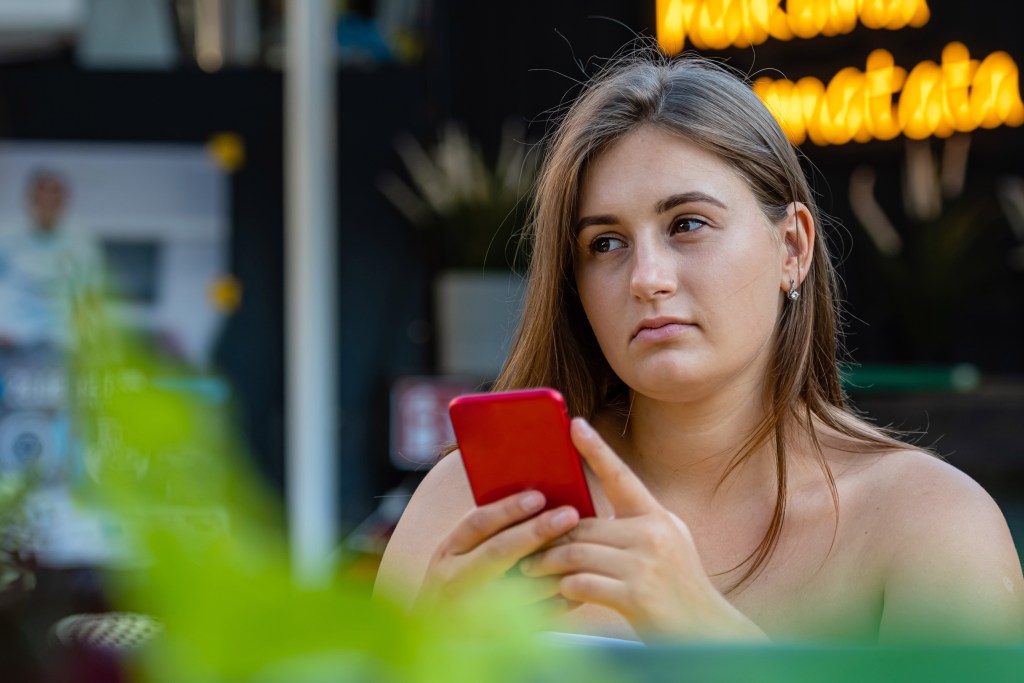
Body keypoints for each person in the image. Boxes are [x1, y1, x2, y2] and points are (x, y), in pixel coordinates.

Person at [374, 51, 1024, 644]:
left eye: (688, 225)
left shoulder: (929, 525)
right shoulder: (476, 506)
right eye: (605, 242)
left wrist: (704, 631)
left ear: (792, 247)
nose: (647, 277)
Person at [0, 170, 103, 351]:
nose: (47, 201)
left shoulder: (82, 244)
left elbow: (90, 293)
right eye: (41, 195)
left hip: (62, 343)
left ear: (64, 201)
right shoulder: (6, 239)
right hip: (11, 340)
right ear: (30, 198)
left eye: (54, 195)